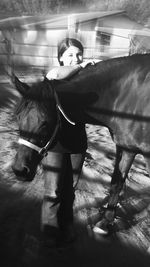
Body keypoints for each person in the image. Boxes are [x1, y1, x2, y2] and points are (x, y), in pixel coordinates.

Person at [41, 38, 93, 247]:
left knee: (69, 190)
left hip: (77, 143)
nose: (76, 58)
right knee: (52, 191)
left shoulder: (86, 78)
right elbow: (54, 74)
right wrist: (80, 66)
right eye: (70, 54)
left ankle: (67, 224)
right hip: (54, 143)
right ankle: (49, 231)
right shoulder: (54, 77)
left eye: (79, 54)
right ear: (61, 57)